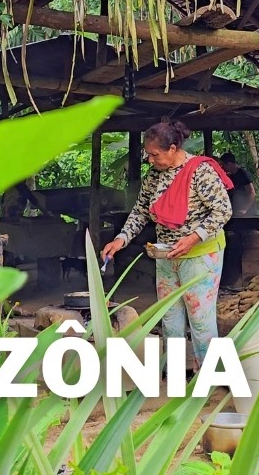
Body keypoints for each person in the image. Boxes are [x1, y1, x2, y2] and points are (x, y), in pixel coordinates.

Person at [101, 121, 233, 372]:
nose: (150, 160)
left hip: (201, 255)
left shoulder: (200, 171)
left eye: (155, 155)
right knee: (170, 317)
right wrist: (120, 239)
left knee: (200, 320)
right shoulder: (154, 175)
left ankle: (206, 377)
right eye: (147, 154)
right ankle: (175, 374)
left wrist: (194, 237)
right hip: (166, 255)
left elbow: (223, 210)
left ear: (173, 148)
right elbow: (141, 211)